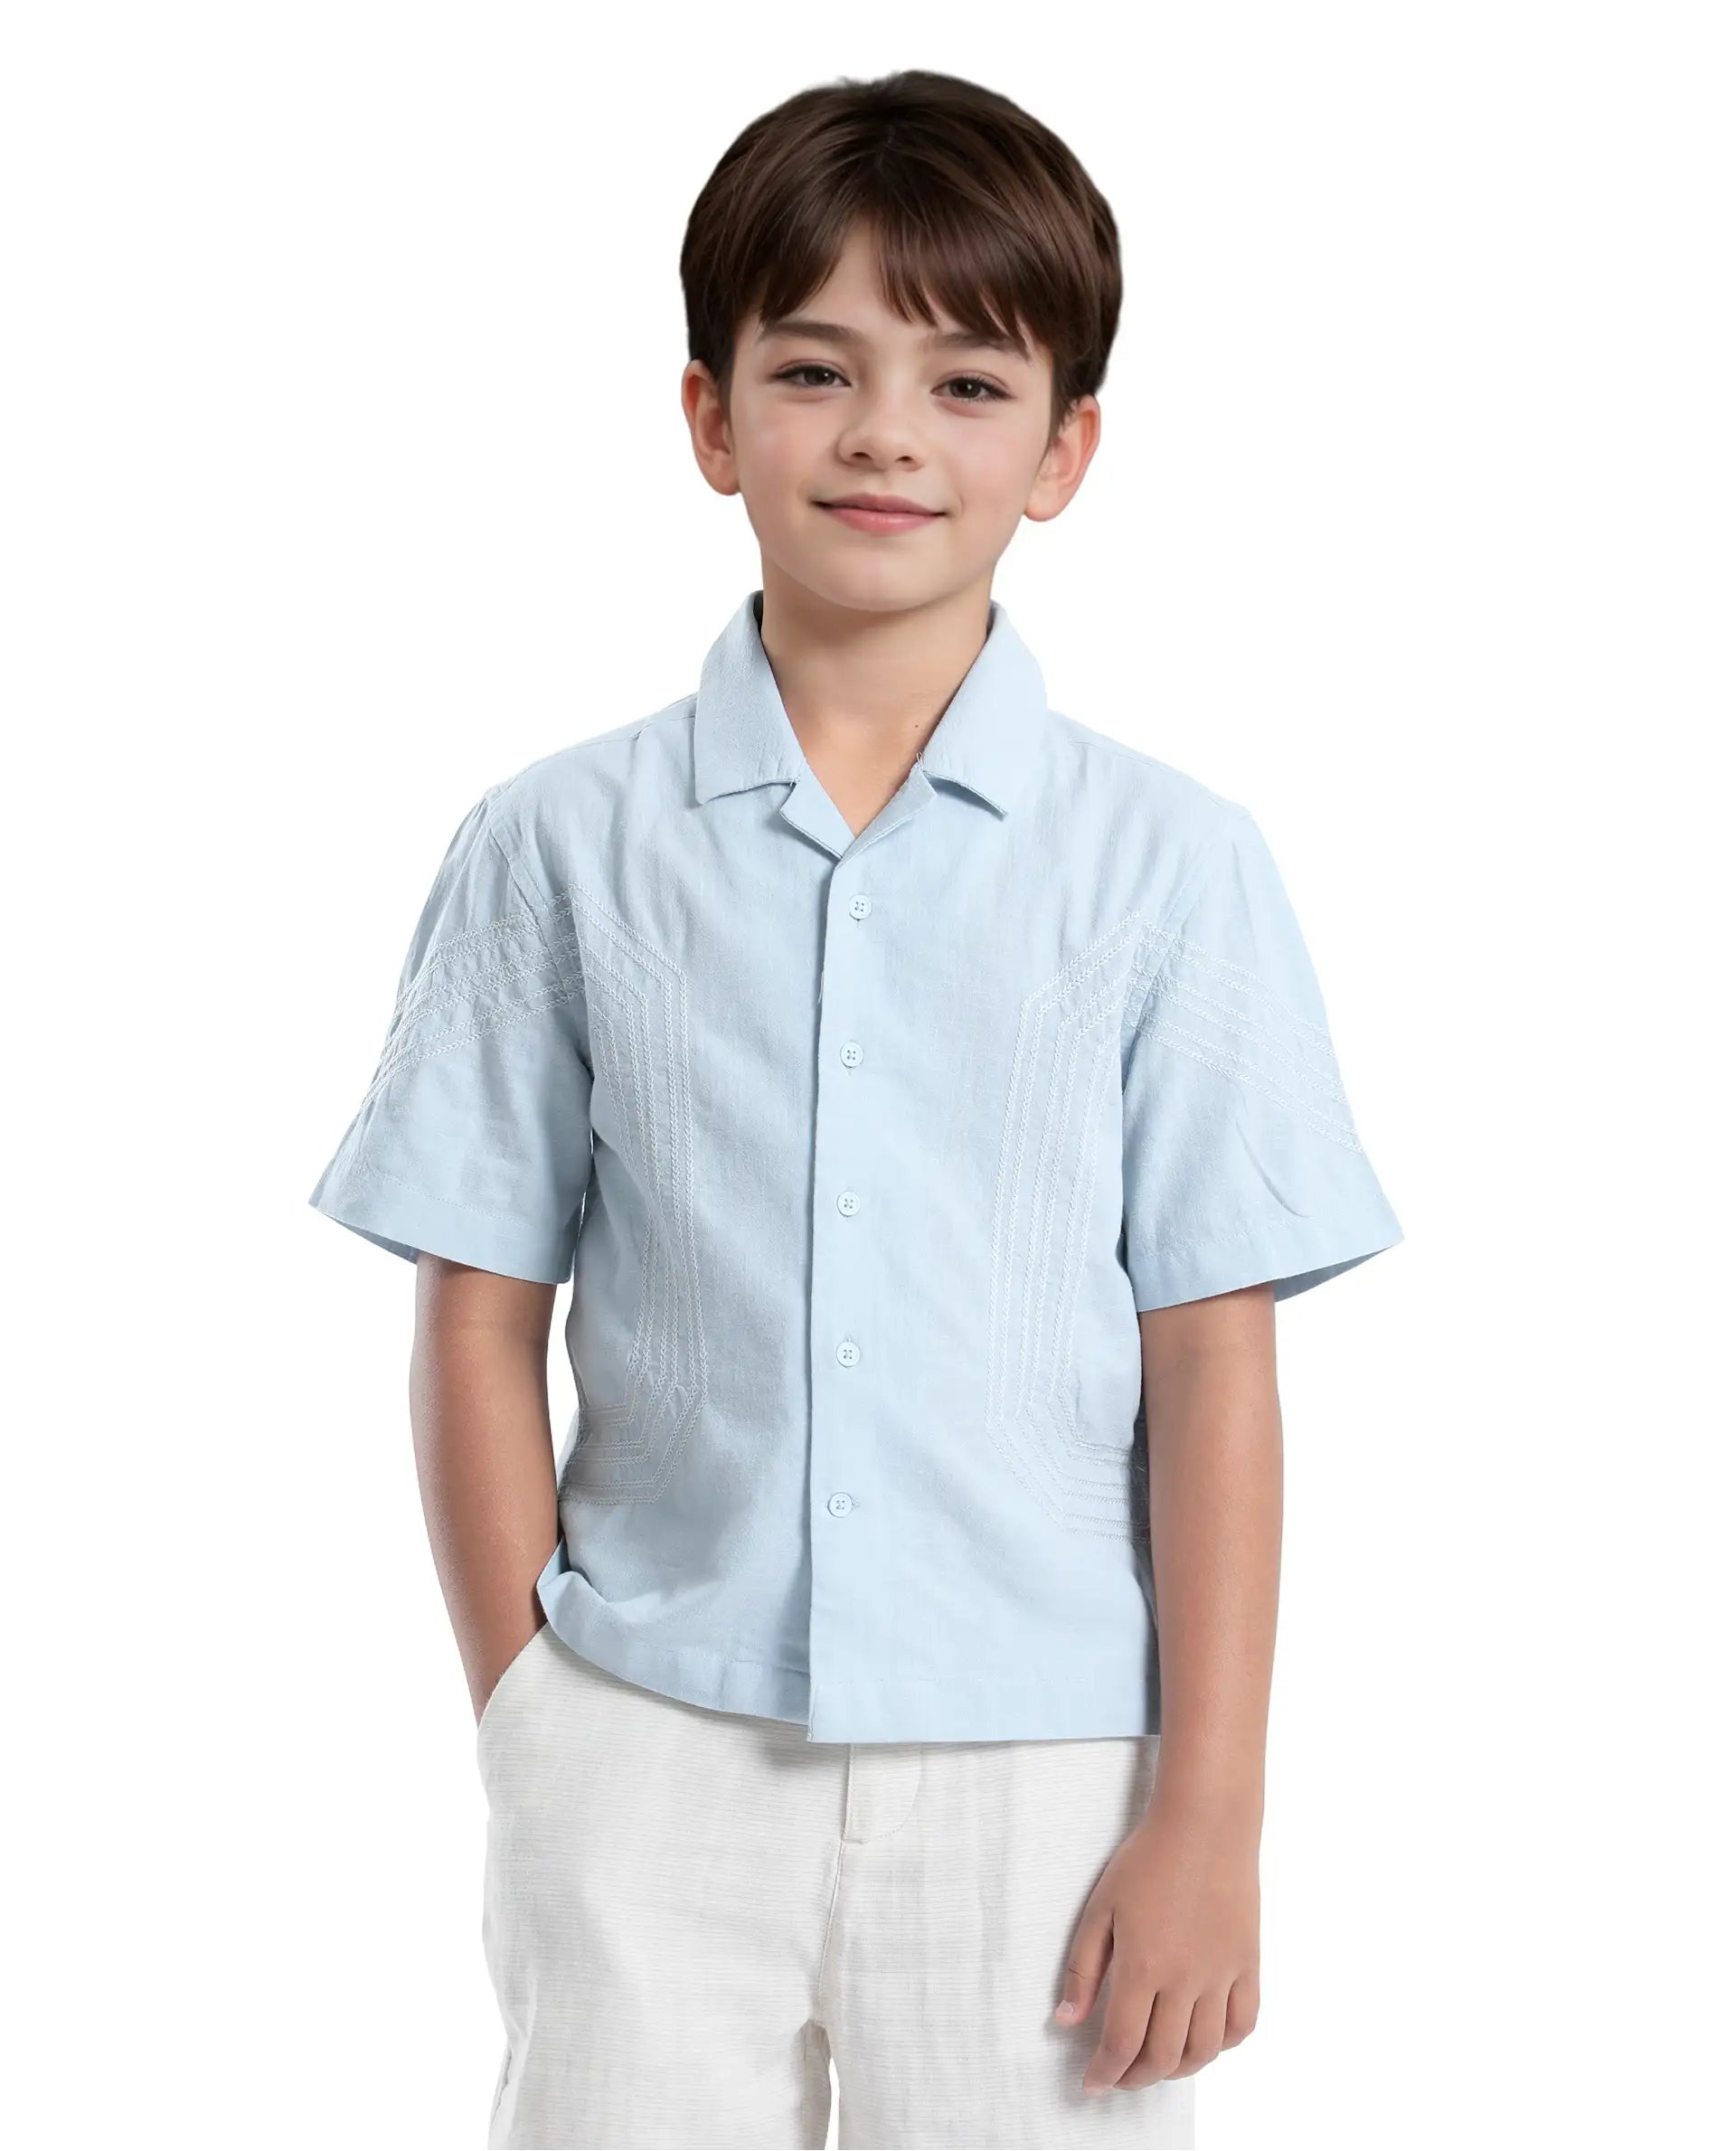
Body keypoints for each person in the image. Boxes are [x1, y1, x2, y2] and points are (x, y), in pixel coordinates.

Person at [308, 66, 1402, 2151]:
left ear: (1064, 449)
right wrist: (531, 1712)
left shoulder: (1173, 867)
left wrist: (1210, 1805)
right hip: (648, 1741)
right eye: (816, 368)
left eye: (968, 382)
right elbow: (477, 1305)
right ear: (711, 416)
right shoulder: (558, 841)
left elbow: (1213, 1353)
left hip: (1049, 1772)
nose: (888, 431)